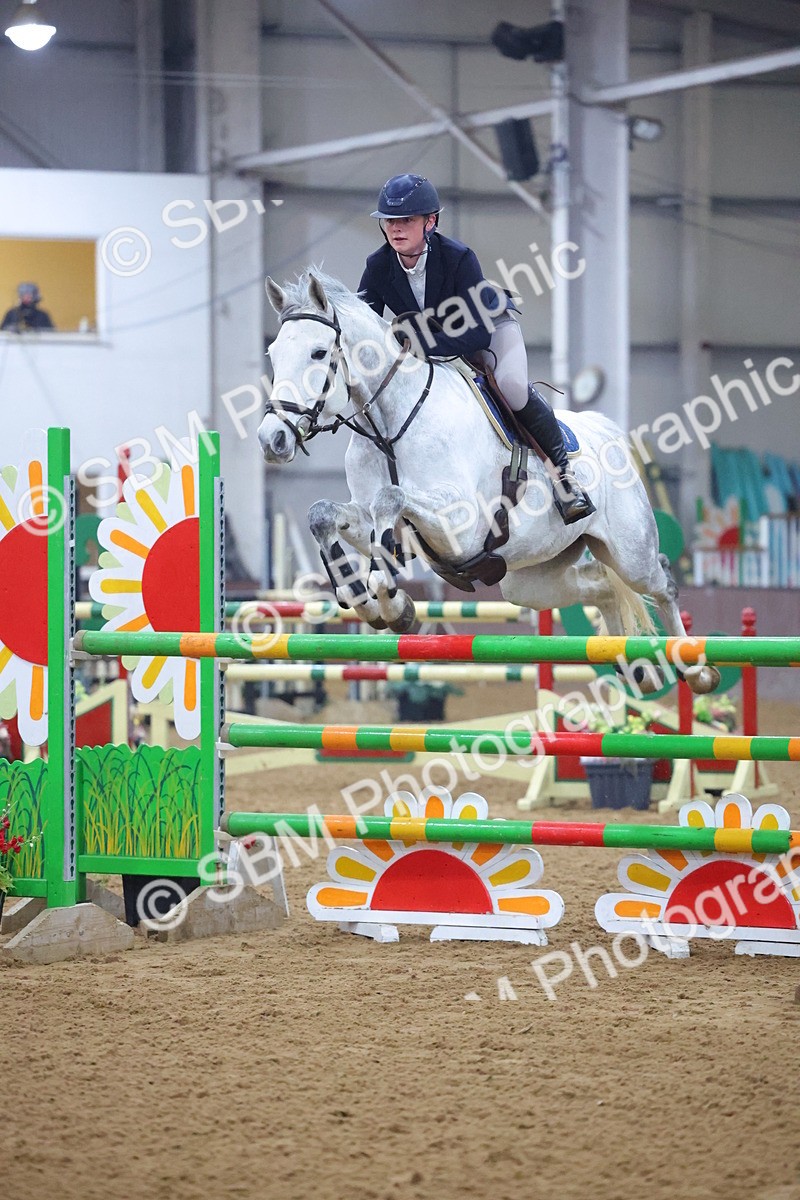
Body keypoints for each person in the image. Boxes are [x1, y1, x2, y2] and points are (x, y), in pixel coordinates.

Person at [358, 174, 594, 525]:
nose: (396, 228)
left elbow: (477, 335)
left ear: (431, 221)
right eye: (390, 220)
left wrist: (422, 346)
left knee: (512, 389)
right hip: (433, 342)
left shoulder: (458, 258)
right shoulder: (378, 266)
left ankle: (564, 478)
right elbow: (364, 325)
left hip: (488, 328)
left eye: (407, 219)